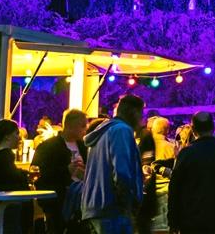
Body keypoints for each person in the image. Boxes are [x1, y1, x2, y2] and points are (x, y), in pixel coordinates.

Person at [82, 94, 145, 234]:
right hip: (112, 208)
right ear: (134, 113)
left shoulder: (103, 132)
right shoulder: (122, 130)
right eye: (141, 114)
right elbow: (122, 172)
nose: (142, 120)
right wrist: (127, 203)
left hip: (96, 207)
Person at [33, 109, 89, 234]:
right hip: (57, 202)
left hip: (81, 201)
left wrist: (84, 173)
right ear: (70, 126)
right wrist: (66, 170)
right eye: (83, 125)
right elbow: (40, 175)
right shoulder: (48, 147)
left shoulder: (84, 147)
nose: (86, 129)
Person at [0, 118, 33, 234]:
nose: (20, 138)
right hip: (6, 212)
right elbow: (13, 180)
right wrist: (26, 176)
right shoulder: (6, 155)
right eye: (17, 133)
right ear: (7, 137)